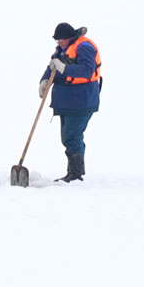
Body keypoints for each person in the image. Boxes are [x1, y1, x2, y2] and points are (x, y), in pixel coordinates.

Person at [39, 22, 101, 182]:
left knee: (72, 136)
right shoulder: (62, 49)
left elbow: (87, 71)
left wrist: (64, 68)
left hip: (82, 100)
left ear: (69, 37)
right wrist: (45, 80)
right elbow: (52, 66)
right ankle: (72, 173)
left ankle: (76, 174)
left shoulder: (84, 47)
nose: (59, 43)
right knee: (67, 137)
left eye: (61, 40)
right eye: (57, 40)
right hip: (66, 101)